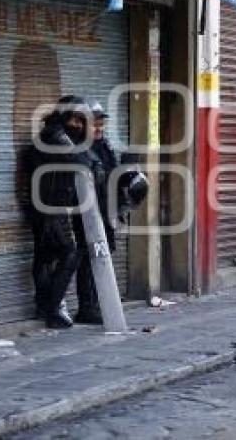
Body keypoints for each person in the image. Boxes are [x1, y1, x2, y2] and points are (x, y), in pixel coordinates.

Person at [73, 101, 149, 324]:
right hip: (87, 213)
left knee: (102, 255)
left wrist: (130, 174)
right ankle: (87, 307)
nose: (99, 128)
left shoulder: (103, 147)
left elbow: (112, 175)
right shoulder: (78, 150)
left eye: (101, 124)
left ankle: (98, 302)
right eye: (94, 124)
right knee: (88, 259)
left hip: (105, 211)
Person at [29, 95, 95, 329]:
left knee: (46, 256)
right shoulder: (55, 136)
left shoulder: (57, 135)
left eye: (82, 121)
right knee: (70, 252)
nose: (78, 126)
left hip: (51, 204)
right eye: (76, 120)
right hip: (51, 206)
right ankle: (52, 307)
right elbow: (81, 159)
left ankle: (44, 303)